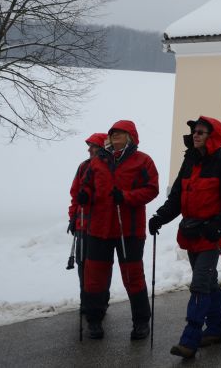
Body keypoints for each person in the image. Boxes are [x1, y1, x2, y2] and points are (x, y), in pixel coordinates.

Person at [148, 116, 221, 359]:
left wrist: (219, 224)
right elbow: (177, 196)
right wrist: (160, 217)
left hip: (212, 233)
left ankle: (190, 339)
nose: (196, 135)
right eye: (194, 132)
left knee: (200, 283)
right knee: (209, 282)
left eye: (201, 132)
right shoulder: (190, 159)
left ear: (212, 135)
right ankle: (216, 329)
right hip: (191, 231)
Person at [79, 120, 159, 340]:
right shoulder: (98, 161)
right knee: (94, 278)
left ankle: (141, 322)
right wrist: (85, 194)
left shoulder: (143, 161)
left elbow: (152, 189)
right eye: (112, 133)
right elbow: (86, 184)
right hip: (99, 229)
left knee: (133, 277)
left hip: (129, 231)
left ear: (130, 136)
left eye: (120, 133)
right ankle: (94, 321)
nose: (114, 136)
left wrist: (125, 197)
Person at [68, 133, 107, 289]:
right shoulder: (83, 166)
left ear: (102, 148)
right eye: (89, 146)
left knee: (98, 266)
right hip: (82, 223)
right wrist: (73, 218)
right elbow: (75, 195)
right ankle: (85, 299)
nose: (89, 150)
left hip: (99, 226)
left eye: (94, 146)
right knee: (82, 263)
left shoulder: (109, 167)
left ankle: (99, 301)